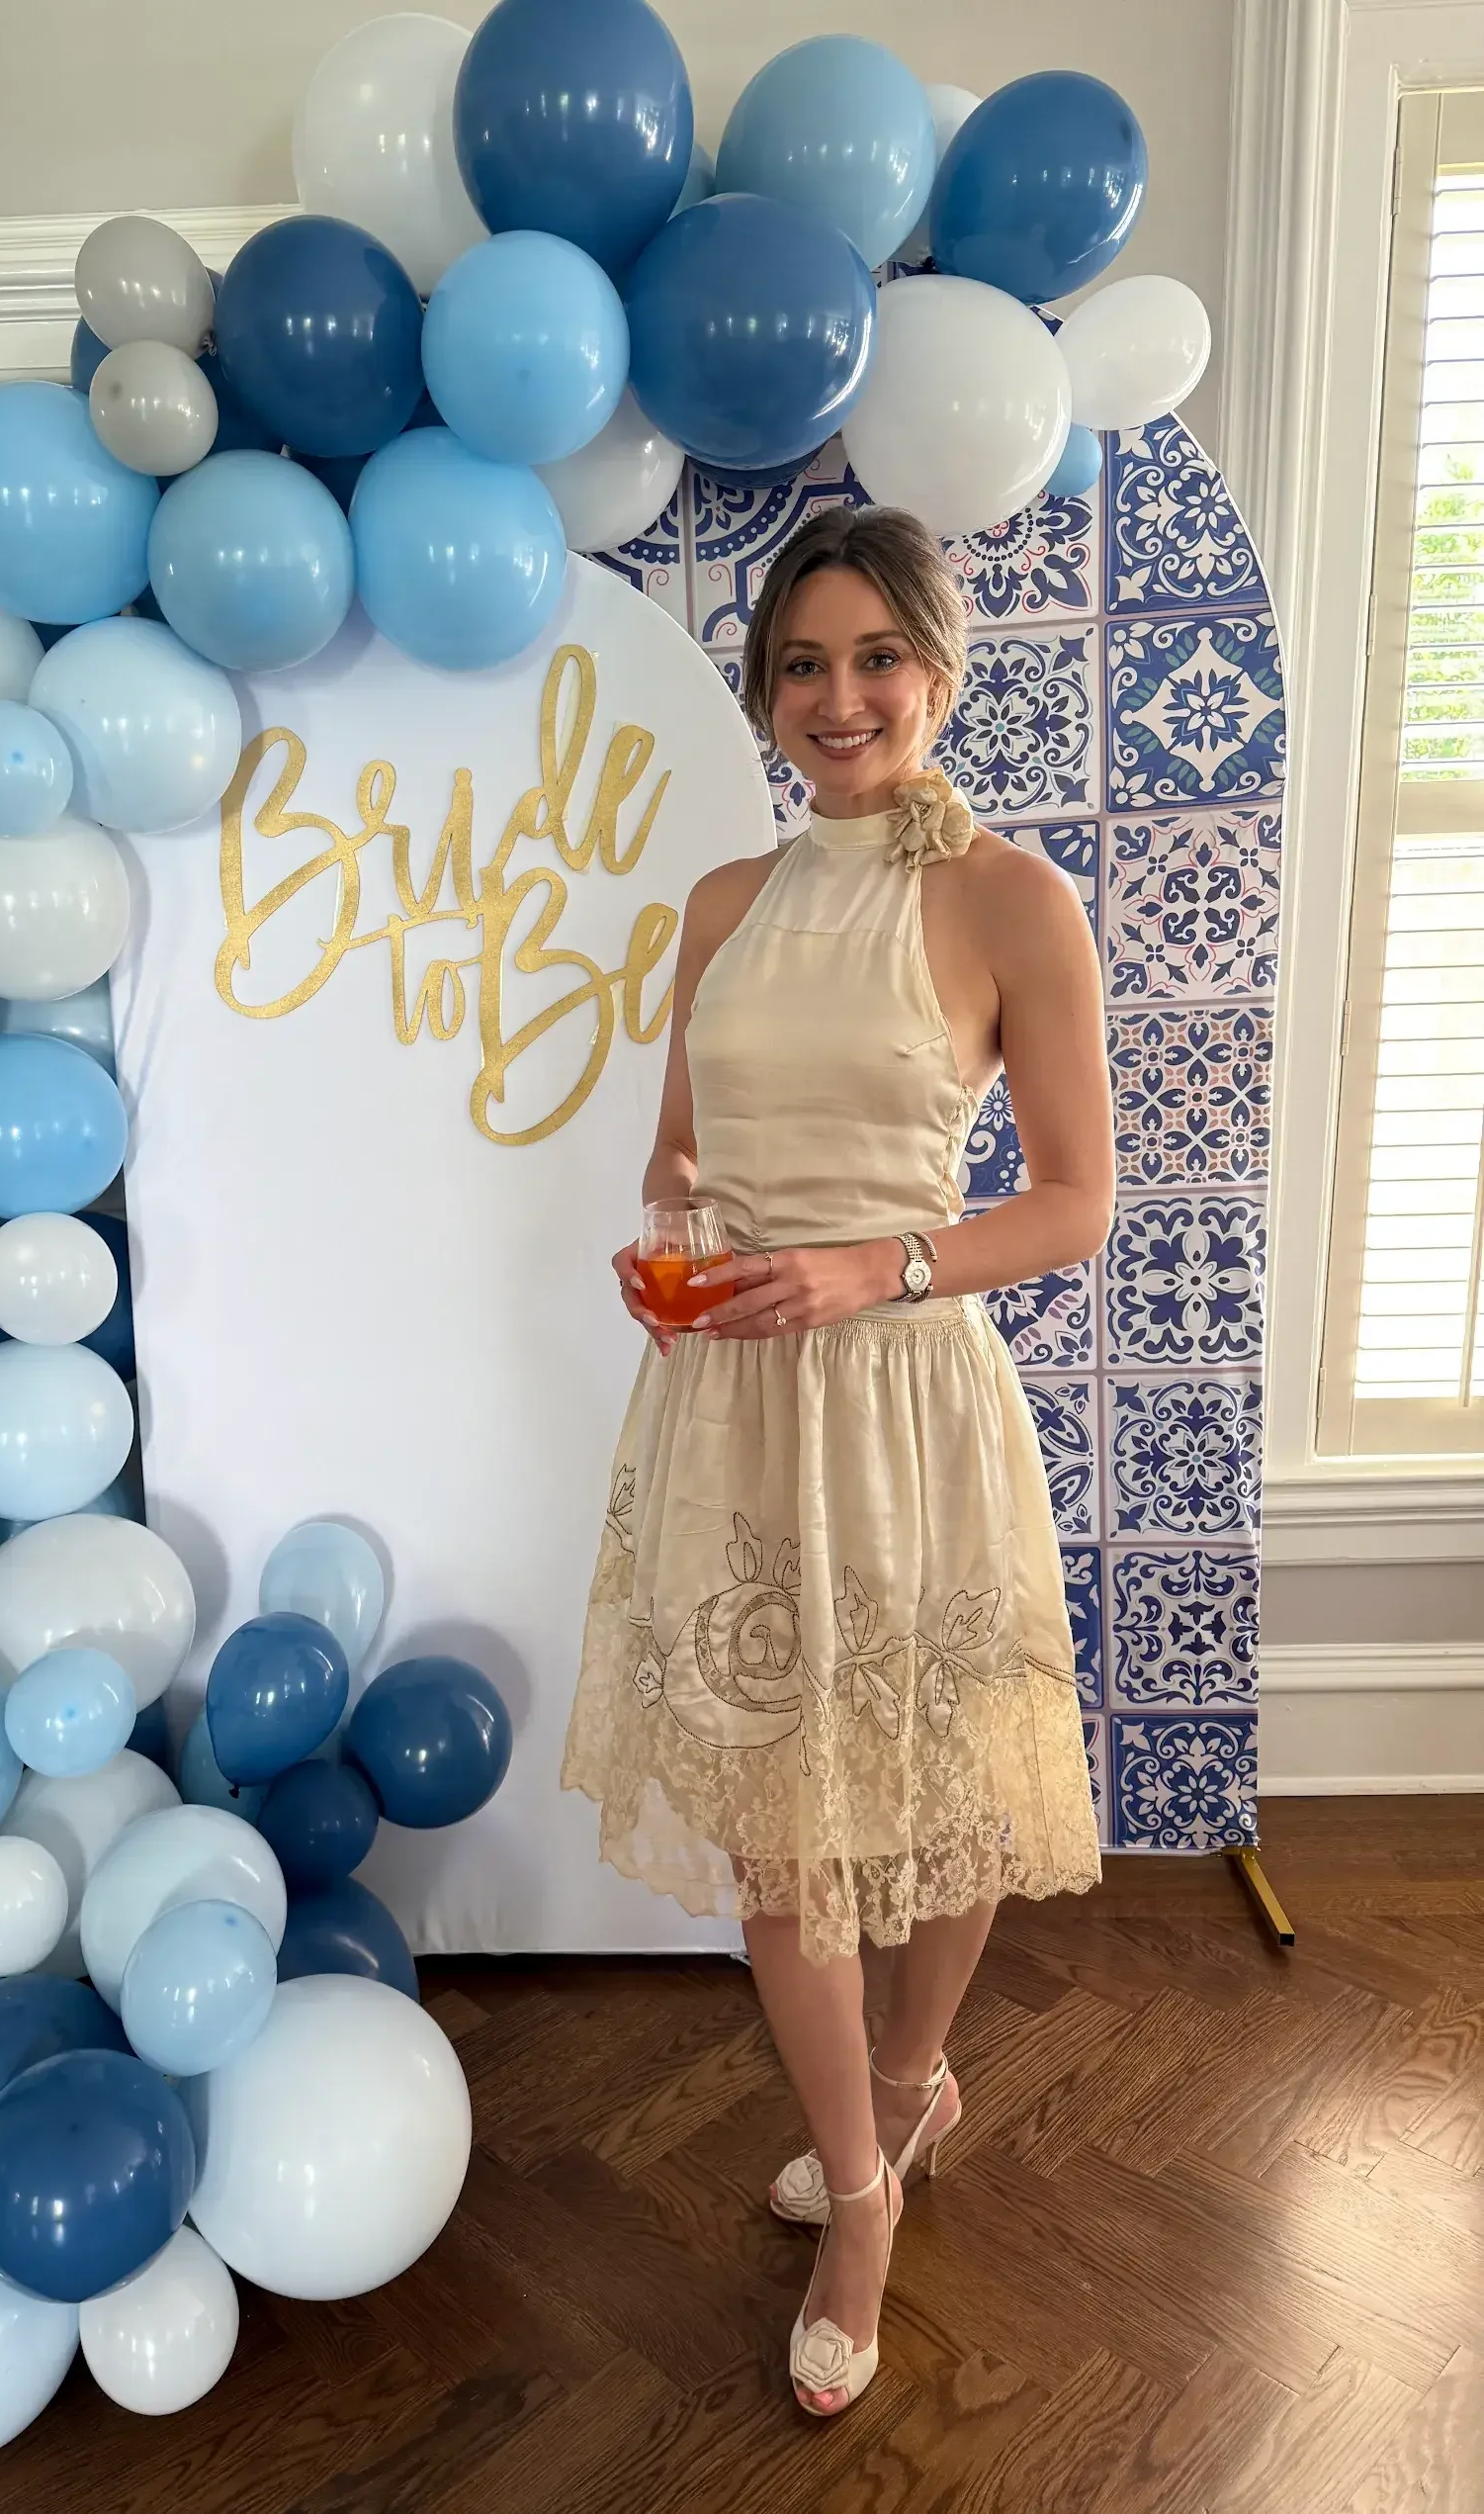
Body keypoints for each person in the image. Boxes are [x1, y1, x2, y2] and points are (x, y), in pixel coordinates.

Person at [560, 505, 1110, 2419]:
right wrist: (670, 1237)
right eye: (802, 662)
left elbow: (1069, 1204)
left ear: (938, 671)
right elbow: (679, 1149)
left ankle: (902, 2083)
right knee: (780, 1831)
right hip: (734, 1405)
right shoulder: (722, 902)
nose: (840, 695)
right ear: (766, 693)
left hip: (908, 1402)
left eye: (877, 655)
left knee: (940, 1785)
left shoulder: (1008, 902)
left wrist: (874, 1260)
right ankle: (862, 2196)